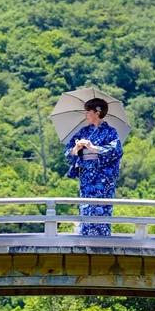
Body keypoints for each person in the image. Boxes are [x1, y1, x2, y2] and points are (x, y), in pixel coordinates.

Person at [64, 98, 123, 236]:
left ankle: (102, 238)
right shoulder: (83, 132)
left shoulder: (110, 132)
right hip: (86, 176)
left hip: (103, 178)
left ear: (97, 112)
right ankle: (85, 235)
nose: (86, 115)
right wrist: (76, 147)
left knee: (102, 207)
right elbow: (68, 154)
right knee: (86, 206)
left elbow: (116, 151)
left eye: (88, 111)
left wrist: (93, 148)